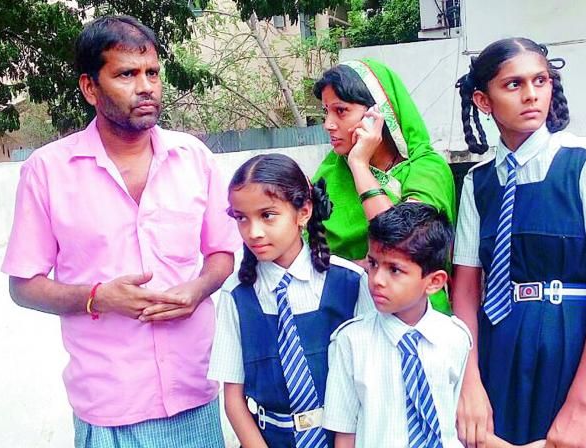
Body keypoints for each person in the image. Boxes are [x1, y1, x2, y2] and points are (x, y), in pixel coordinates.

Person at [1, 16, 239, 447]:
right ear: (90, 88)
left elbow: (222, 253)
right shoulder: (48, 171)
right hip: (108, 408)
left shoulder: (194, 158)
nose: (146, 87)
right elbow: (24, 286)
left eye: (153, 73)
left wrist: (198, 289)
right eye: (127, 74)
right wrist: (98, 298)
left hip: (194, 396)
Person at [451, 37, 586, 448]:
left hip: (571, 345)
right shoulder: (478, 182)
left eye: (540, 81)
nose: (531, 95)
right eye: (514, 84)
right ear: (483, 101)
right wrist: (469, 383)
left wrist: (580, 405)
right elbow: (466, 290)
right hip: (499, 348)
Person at [323, 203, 545, 448]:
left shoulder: (456, 338)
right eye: (373, 264)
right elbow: (345, 434)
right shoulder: (350, 341)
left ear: (434, 282)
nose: (377, 280)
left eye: (394, 270)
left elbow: (451, 423)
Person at [209, 154, 375, 447]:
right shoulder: (236, 293)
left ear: (304, 212)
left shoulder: (350, 282)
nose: (253, 232)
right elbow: (233, 399)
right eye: (242, 218)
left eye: (267, 215)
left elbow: (369, 382)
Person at [311, 59, 456, 314]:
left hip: (421, 318)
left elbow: (402, 243)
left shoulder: (428, 169)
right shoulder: (329, 175)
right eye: (326, 112)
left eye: (341, 111)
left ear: (379, 114)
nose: (328, 124)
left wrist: (359, 165)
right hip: (347, 316)